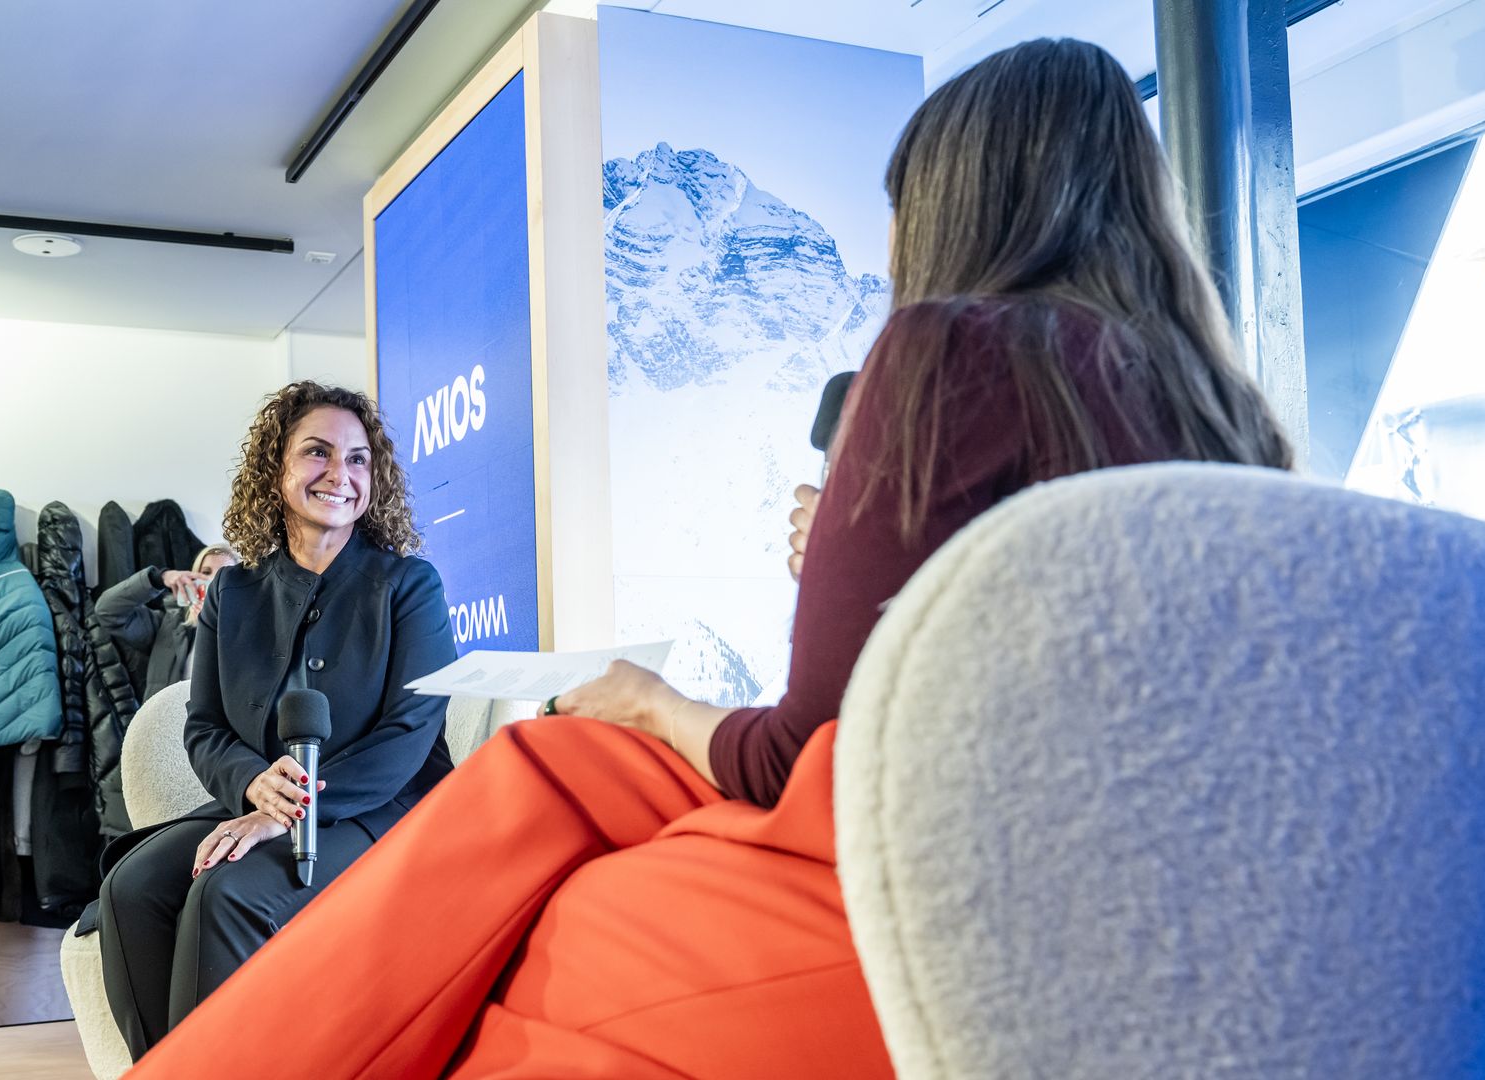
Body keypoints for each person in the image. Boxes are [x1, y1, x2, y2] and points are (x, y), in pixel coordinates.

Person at [129, 38, 1294, 1079]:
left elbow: (797, 754)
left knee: (557, 764)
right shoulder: (1231, 416)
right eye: (315, 455)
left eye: (898, 202)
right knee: (171, 879)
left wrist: (652, 700)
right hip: (1152, 866)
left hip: (942, 866)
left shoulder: (943, 353)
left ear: (952, 204)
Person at [91, 381, 458, 1061]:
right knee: (132, 889)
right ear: (276, 469)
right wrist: (253, 787)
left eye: (357, 460)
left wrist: (287, 813)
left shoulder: (409, 586)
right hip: (257, 799)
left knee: (226, 893)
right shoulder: (233, 591)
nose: (338, 475)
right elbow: (202, 727)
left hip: (372, 811)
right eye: (317, 452)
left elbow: (409, 737)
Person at [96, 542, 239, 701]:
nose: (212, 580)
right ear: (193, 577)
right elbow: (107, 611)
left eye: (223, 574)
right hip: (161, 722)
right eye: (205, 572)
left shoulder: (246, 635)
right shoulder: (168, 625)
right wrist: (159, 578)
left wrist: (214, 624)